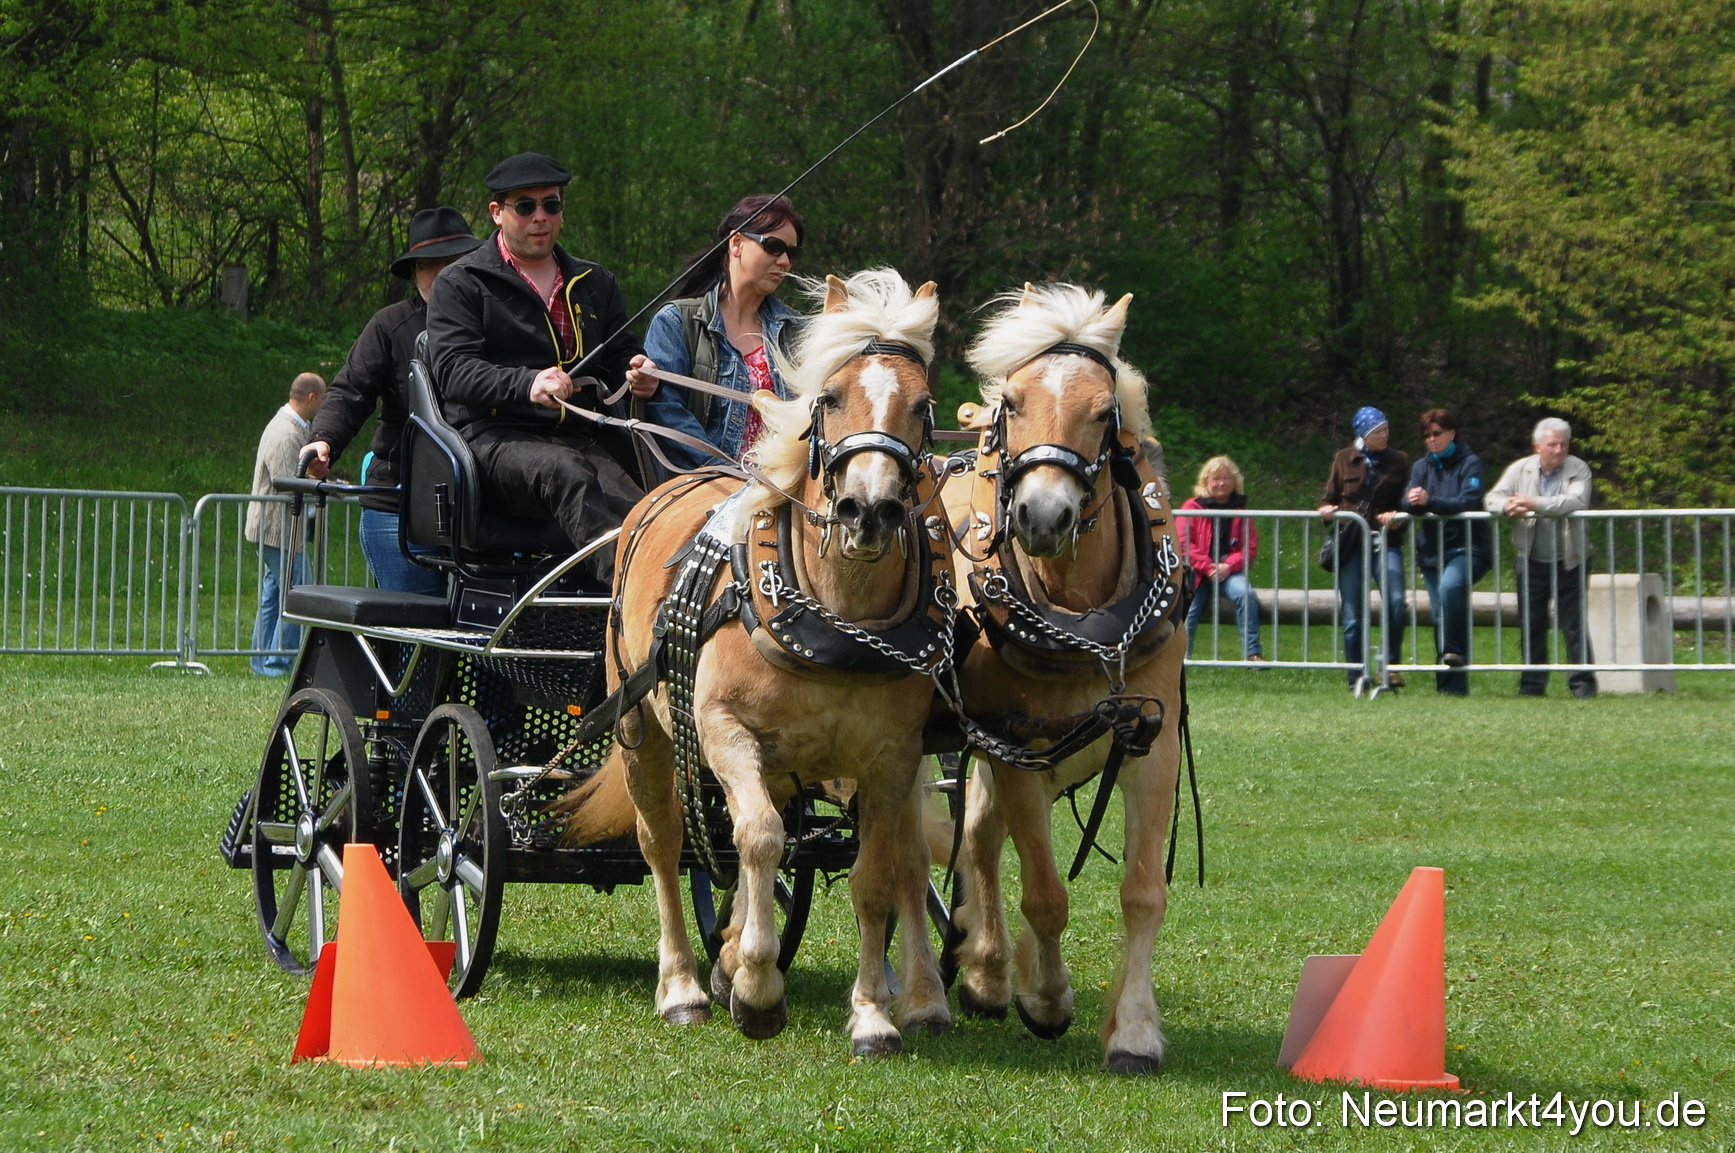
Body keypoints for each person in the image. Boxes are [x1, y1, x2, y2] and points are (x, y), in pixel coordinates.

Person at [424, 152, 655, 581]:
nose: (540, 217)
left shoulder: (595, 282)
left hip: (577, 437)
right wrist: (527, 384)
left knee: (650, 508)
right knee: (566, 473)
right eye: (525, 206)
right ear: (497, 213)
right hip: (491, 441)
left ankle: (667, 593)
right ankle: (631, 595)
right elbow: (453, 372)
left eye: (551, 204)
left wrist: (638, 372)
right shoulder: (461, 282)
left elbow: (621, 352)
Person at [304, 207, 483, 595]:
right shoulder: (389, 325)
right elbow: (350, 391)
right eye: (428, 264)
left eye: (454, 261)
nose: (442, 272)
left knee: (485, 638)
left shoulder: (498, 322)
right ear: (414, 271)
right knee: (412, 636)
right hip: (398, 502)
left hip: (484, 505)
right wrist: (323, 441)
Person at [631, 194, 805, 474]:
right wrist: (727, 471)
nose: (784, 261)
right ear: (736, 243)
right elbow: (665, 411)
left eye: (792, 253)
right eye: (774, 246)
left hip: (786, 489)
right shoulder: (676, 322)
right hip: (704, 488)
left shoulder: (799, 331)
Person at [1486, 417, 1597, 699]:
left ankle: (1582, 685)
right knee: (1531, 623)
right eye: (1552, 444)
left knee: (1573, 623)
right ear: (1537, 446)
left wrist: (1533, 504)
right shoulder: (1519, 469)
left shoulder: (1578, 468)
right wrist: (1508, 506)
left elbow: (1574, 502)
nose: (1559, 450)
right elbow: (1491, 499)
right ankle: (1532, 685)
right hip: (1531, 559)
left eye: (1563, 444)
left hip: (1571, 559)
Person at [1318, 405, 1410, 691]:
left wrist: (1397, 518)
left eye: (1385, 429)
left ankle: (1389, 667)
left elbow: (1406, 502)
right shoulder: (1344, 458)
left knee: (1395, 602)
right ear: (1363, 434)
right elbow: (1329, 497)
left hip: (1385, 542)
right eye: (1377, 431)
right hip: (1351, 543)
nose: (1384, 435)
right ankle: (1355, 676)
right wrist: (1326, 510)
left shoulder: (1400, 461)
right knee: (1353, 614)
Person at [1402, 409, 1492, 695]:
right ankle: (1451, 688)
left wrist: (1431, 501)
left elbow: (1468, 500)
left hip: (1467, 547)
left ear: (1452, 433)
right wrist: (1413, 501)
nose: (1431, 440)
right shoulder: (1420, 467)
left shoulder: (1471, 463)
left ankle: (1454, 651)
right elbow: (1407, 501)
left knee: (1451, 586)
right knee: (1441, 616)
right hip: (1431, 551)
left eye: (1437, 434)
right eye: (1427, 435)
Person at [245, 372, 326, 675]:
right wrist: (322, 489)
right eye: (323, 397)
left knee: (274, 595)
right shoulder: (286, 433)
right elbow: (287, 482)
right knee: (299, 592)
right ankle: (277, 663)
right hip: (277, 530)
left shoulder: (291, 427)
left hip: (275, 530)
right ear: (311, 398)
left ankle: (262, 661)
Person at [1181, 455, 1263, 661]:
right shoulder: (1191, 507)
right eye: (1216, 478)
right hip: (1198, 573)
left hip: (1229, 572)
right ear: (1206, 482)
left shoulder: (1240, 510)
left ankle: (1252, 654)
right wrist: (1208, 566)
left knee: (1246, 595)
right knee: (1189, 609)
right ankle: (1181, 660)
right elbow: (1183, 543)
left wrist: (1228, 566)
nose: (1221, 483)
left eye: (1226, 478)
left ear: (1235, 481)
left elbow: (1249, 548)